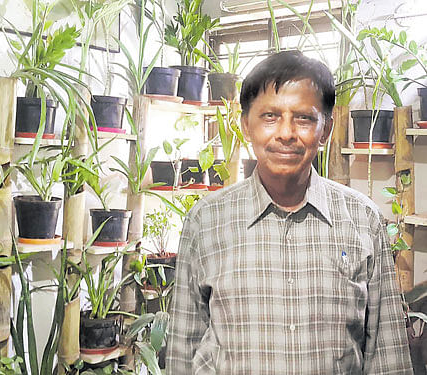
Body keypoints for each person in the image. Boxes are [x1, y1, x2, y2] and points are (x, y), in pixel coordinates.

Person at [166, 50, 413, 374]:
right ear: (246, 125)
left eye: (304, 118)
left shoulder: (362, 220)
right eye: (270, 116)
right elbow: (183, 352)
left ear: (325, 129)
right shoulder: (206, 220)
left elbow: (387, 356)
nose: (286, 133)